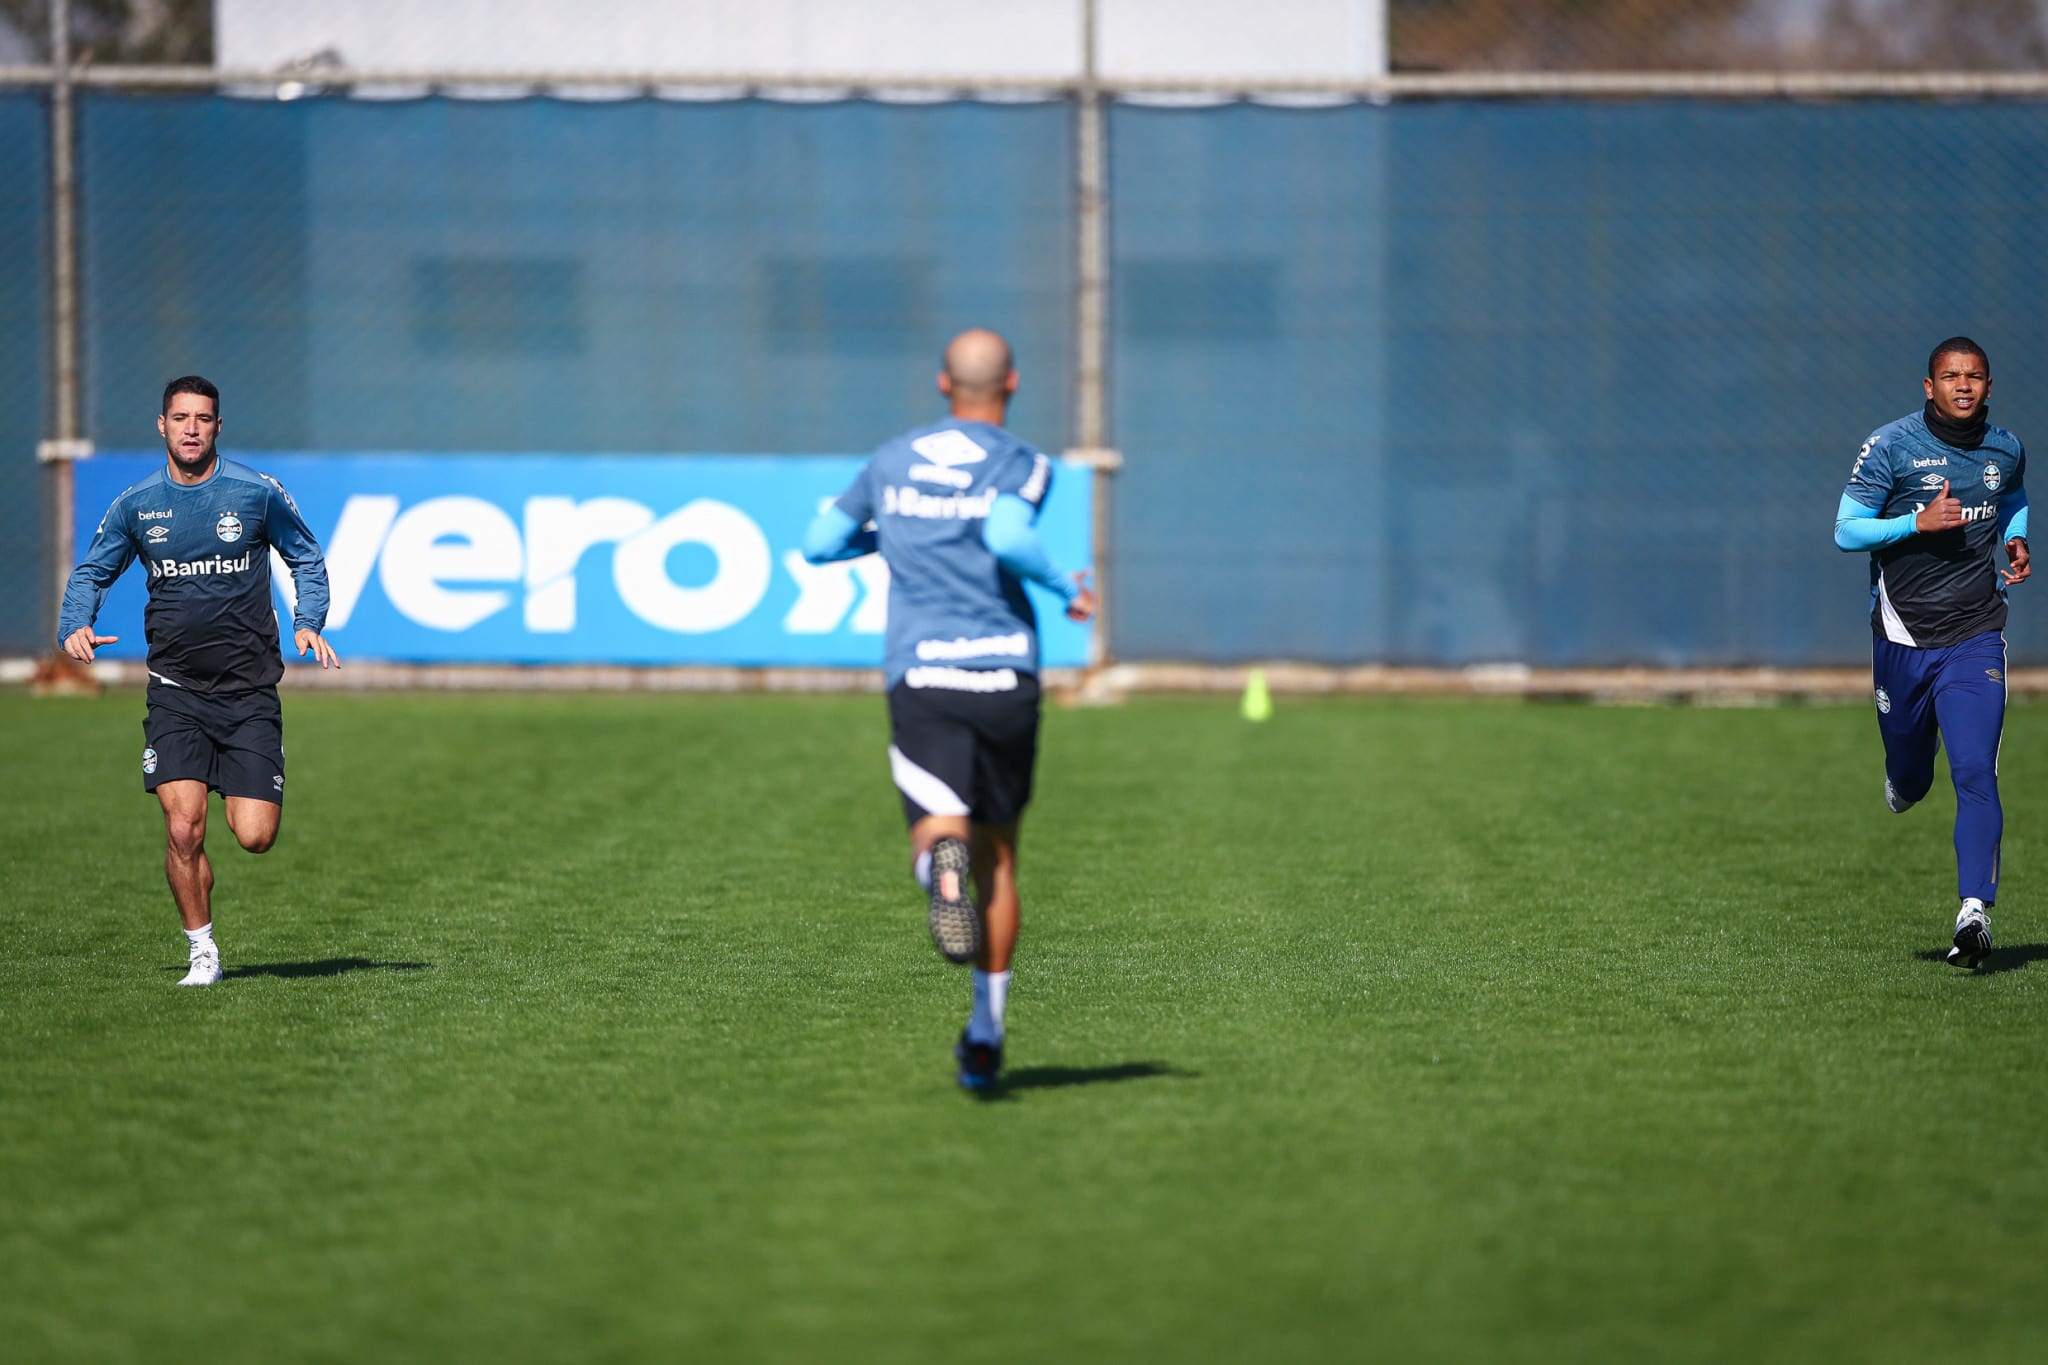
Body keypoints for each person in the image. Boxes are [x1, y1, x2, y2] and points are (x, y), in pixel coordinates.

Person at [803, 329, 1097, 1089]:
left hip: (923, 676)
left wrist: (891, 534)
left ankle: (939, 866)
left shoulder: (892, 457)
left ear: (943, 384)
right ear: (1012, 384)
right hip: (1004, 674)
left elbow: (818, 544)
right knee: (1001, 858)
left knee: (942, 830)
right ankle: (985, 1030)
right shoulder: (1024, 461)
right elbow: (1006, 532)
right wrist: (1068, 588)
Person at [58, 376, 338, 986]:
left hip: (248, 696)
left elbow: (306, 556)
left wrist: (307, 621)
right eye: (180, 417)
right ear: (162, 425)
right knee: (182, 827)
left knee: (255, 837)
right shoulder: (137, 505)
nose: (191, 428)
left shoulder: (254, 494)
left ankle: (216, 843)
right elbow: (93, 571)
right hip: (176, 693)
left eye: (202, 418)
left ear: (217, 427)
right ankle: (202, 949)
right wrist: (74, 624)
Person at [1836, 337, 2028, 969]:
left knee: (1975, 771)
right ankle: (1905, 773)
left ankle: (1974, 912)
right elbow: (1846, 529)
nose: (1964, 385)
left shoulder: (2005, 449)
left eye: (1975, 376)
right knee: (1913, 778)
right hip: (1903, 639)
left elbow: (2014, 498)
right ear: (1929, 387)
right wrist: (1915, 524)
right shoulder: (1891, 446)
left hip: (1976, 634)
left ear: (1989, 387)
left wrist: (2017, 538)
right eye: (1951, 376)